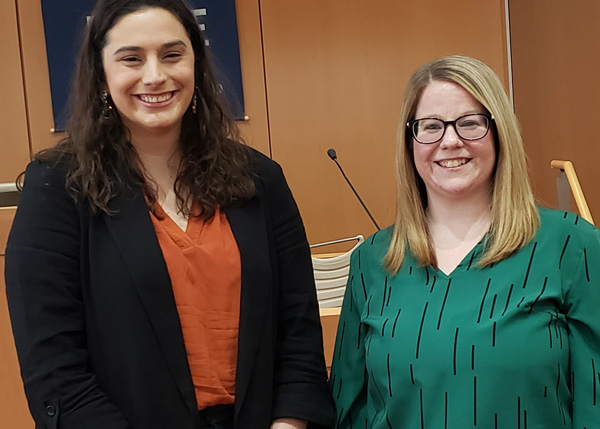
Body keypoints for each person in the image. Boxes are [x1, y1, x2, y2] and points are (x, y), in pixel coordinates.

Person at [5, 0, 334, 428]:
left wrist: (288, 424)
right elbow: (55, 369)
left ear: (196, 65)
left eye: (172, 54)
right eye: (131, 59)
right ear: (101, 73)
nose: (155, 75)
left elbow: (299, 334)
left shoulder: (260, 179)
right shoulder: (57, 187)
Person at [329, 55, 600, 428]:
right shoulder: (372, 262)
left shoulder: (572, 246)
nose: (450, 141)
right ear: (409, 142)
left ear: (500, 132)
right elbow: (348, 409)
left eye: (470, 123)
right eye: (431, 126)